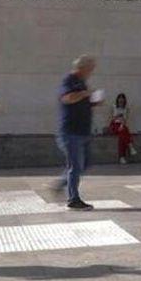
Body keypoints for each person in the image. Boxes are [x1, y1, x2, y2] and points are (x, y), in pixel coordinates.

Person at [52, 55, 102, 210]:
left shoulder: (82, 83)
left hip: (83, 132)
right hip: (70, 132)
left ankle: (60, 183)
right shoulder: (69, 80)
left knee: (84, 164)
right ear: (82, 68)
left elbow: (82, 103)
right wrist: (84, 94)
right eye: (90, 69)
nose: (91, 72)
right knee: (75, 166)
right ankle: (73, 200)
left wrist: (94, 101)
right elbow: (67, 98)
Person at [108, 93, 136, 165]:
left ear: (124, 100)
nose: (121, 100)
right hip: (114, 124)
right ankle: (130, 146)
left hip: (122, 125)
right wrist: (117, 116)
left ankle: (122, 157)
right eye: (119, 98)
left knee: (122, 136)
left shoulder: (126, 108)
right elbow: (111, 118)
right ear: (117, 99)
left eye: (122, 98)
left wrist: (121, 125)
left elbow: (125, 119)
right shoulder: (114, 107)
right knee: (125, 131)